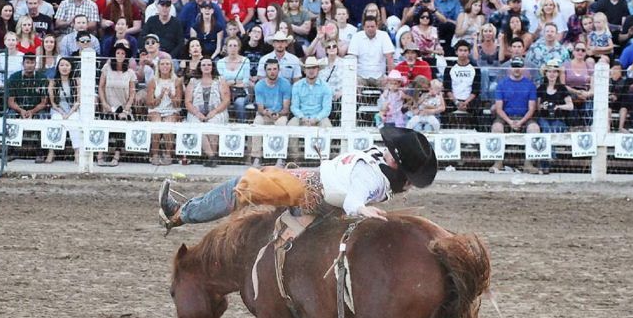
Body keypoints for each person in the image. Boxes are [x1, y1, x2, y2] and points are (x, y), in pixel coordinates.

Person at [157, 126, 438, 231]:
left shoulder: (371, 177)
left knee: (243, 187)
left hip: (308, 188)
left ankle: (181, 214)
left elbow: (354, 201)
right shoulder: (380, 171)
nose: (388, 149)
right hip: (316, 184)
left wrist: (362, 208)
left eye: (393, 152)